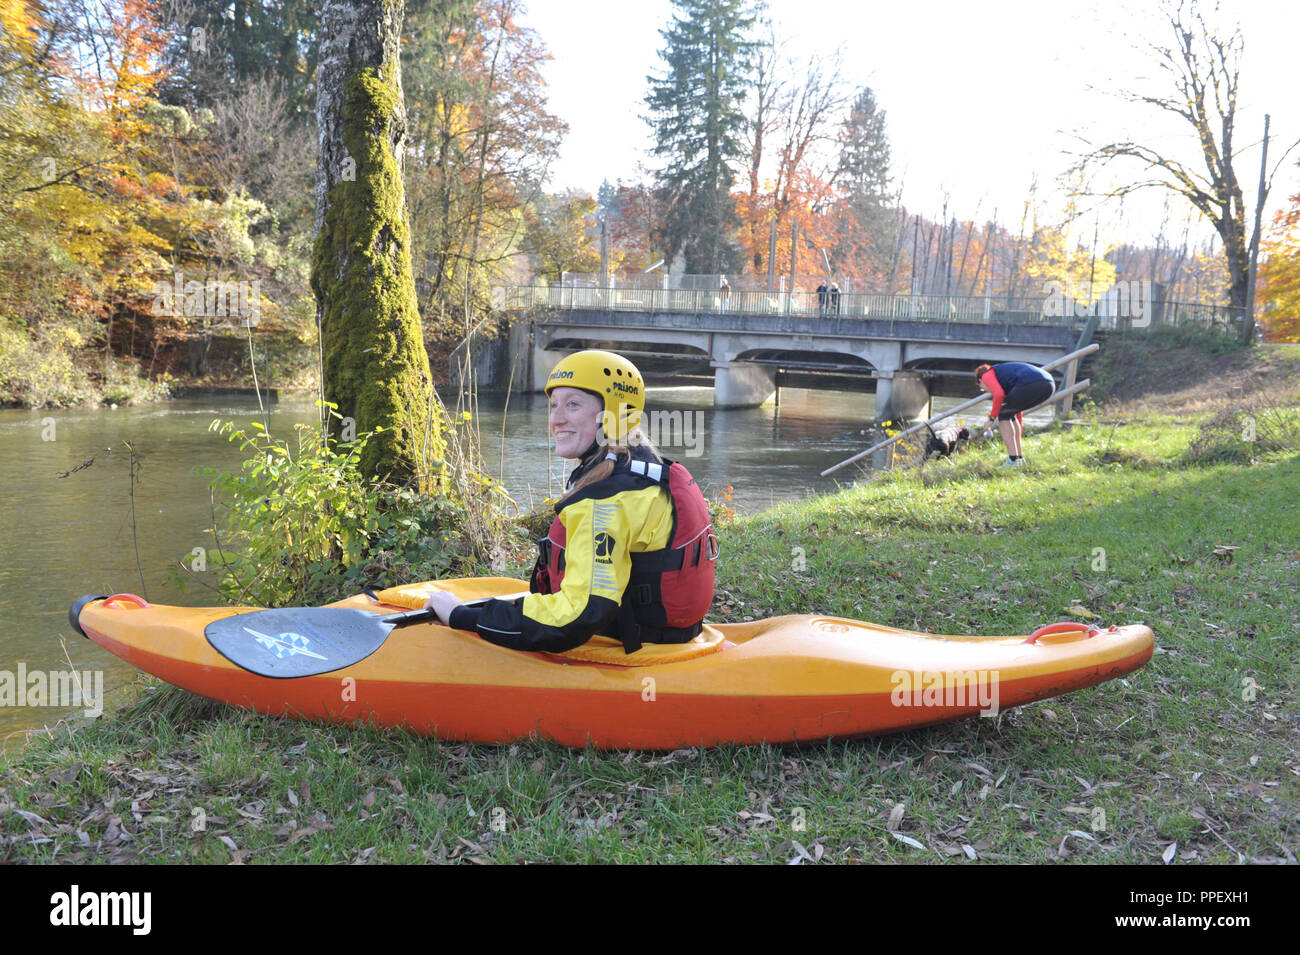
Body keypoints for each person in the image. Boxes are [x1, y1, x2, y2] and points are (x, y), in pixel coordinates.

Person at [424, 350, 718, 654]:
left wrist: (462, 616)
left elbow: (577, 615)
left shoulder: (606, 499)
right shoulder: (647, 469)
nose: (555, 419)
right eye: (553, 405)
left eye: (573, 404)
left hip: (626, 646)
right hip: (664, 635)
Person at [973, 362, 1055, 467]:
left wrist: (991, 419)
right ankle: (1019, 459)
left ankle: (1012, 460)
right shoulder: (1006, 380)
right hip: (1049, 385)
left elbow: (998, 394)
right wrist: (1017, 436)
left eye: (982, 388)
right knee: (1009, 413)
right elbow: (1017, 414)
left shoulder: (986, 375)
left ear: (980, 381)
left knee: (1003, 414)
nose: (986, 391)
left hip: (1034, 383)